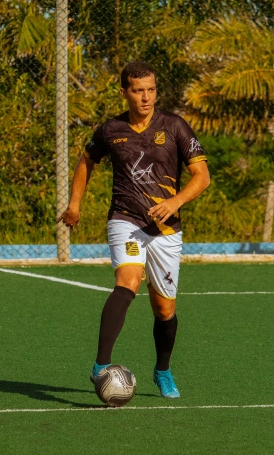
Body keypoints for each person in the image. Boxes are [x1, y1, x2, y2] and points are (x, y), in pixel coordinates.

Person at [57, 61, 210, 399]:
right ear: (124, 91)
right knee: (128, 280)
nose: (146, 97)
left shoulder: (175, 126)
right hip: (125, 220)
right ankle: (100, 365)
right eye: (138, 90)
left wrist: (174, 203)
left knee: (165, 310)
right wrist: (74, 205)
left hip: (166, 230)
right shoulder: (110, 130)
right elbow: (86, 161)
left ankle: (163, 370)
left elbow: (202, 177)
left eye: (151, 90)